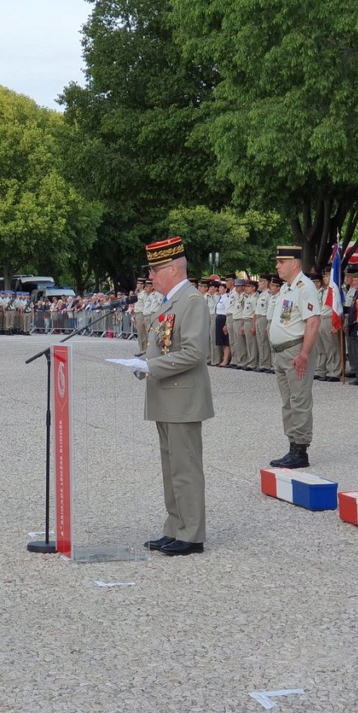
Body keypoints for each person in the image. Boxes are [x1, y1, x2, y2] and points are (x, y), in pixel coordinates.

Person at [135, 236, 214, 557]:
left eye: (155, 271)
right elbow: (162, 345)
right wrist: (142, 360)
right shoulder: (169, 302)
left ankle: (192, 534)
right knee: (171, 468)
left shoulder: (192, 301)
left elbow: (194, 353)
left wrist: (151, 365)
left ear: (172, 269)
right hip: (167, 397)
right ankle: (175, 527)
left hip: (182, 398)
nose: (151, 277)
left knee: (185, 467)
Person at [268, 246, 321, 469]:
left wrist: (304, 354)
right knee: (288, 402)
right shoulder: (287, 288)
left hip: (296, 352)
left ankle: (300, 451)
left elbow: (313, 321)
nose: (277, 266)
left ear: (294, 263)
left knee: (299, 401)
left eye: (282, 262)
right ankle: (292, 445)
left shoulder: (304, 287)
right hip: (282, 353)